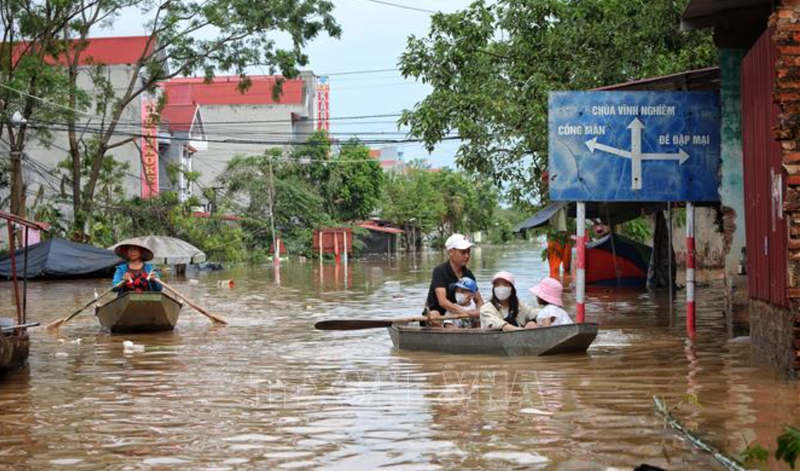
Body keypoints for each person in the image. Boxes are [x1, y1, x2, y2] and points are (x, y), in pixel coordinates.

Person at [424, 234, 484, 327]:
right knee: (434, 317)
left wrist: (478, 311)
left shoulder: (468, 274)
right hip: (440, 312)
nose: (467, 256)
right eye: (463, 252)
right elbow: (442, 302)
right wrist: (465, 314)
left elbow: (479, 300)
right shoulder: (439, 271)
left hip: (460, 314)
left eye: (468, 252)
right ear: (451, 252)